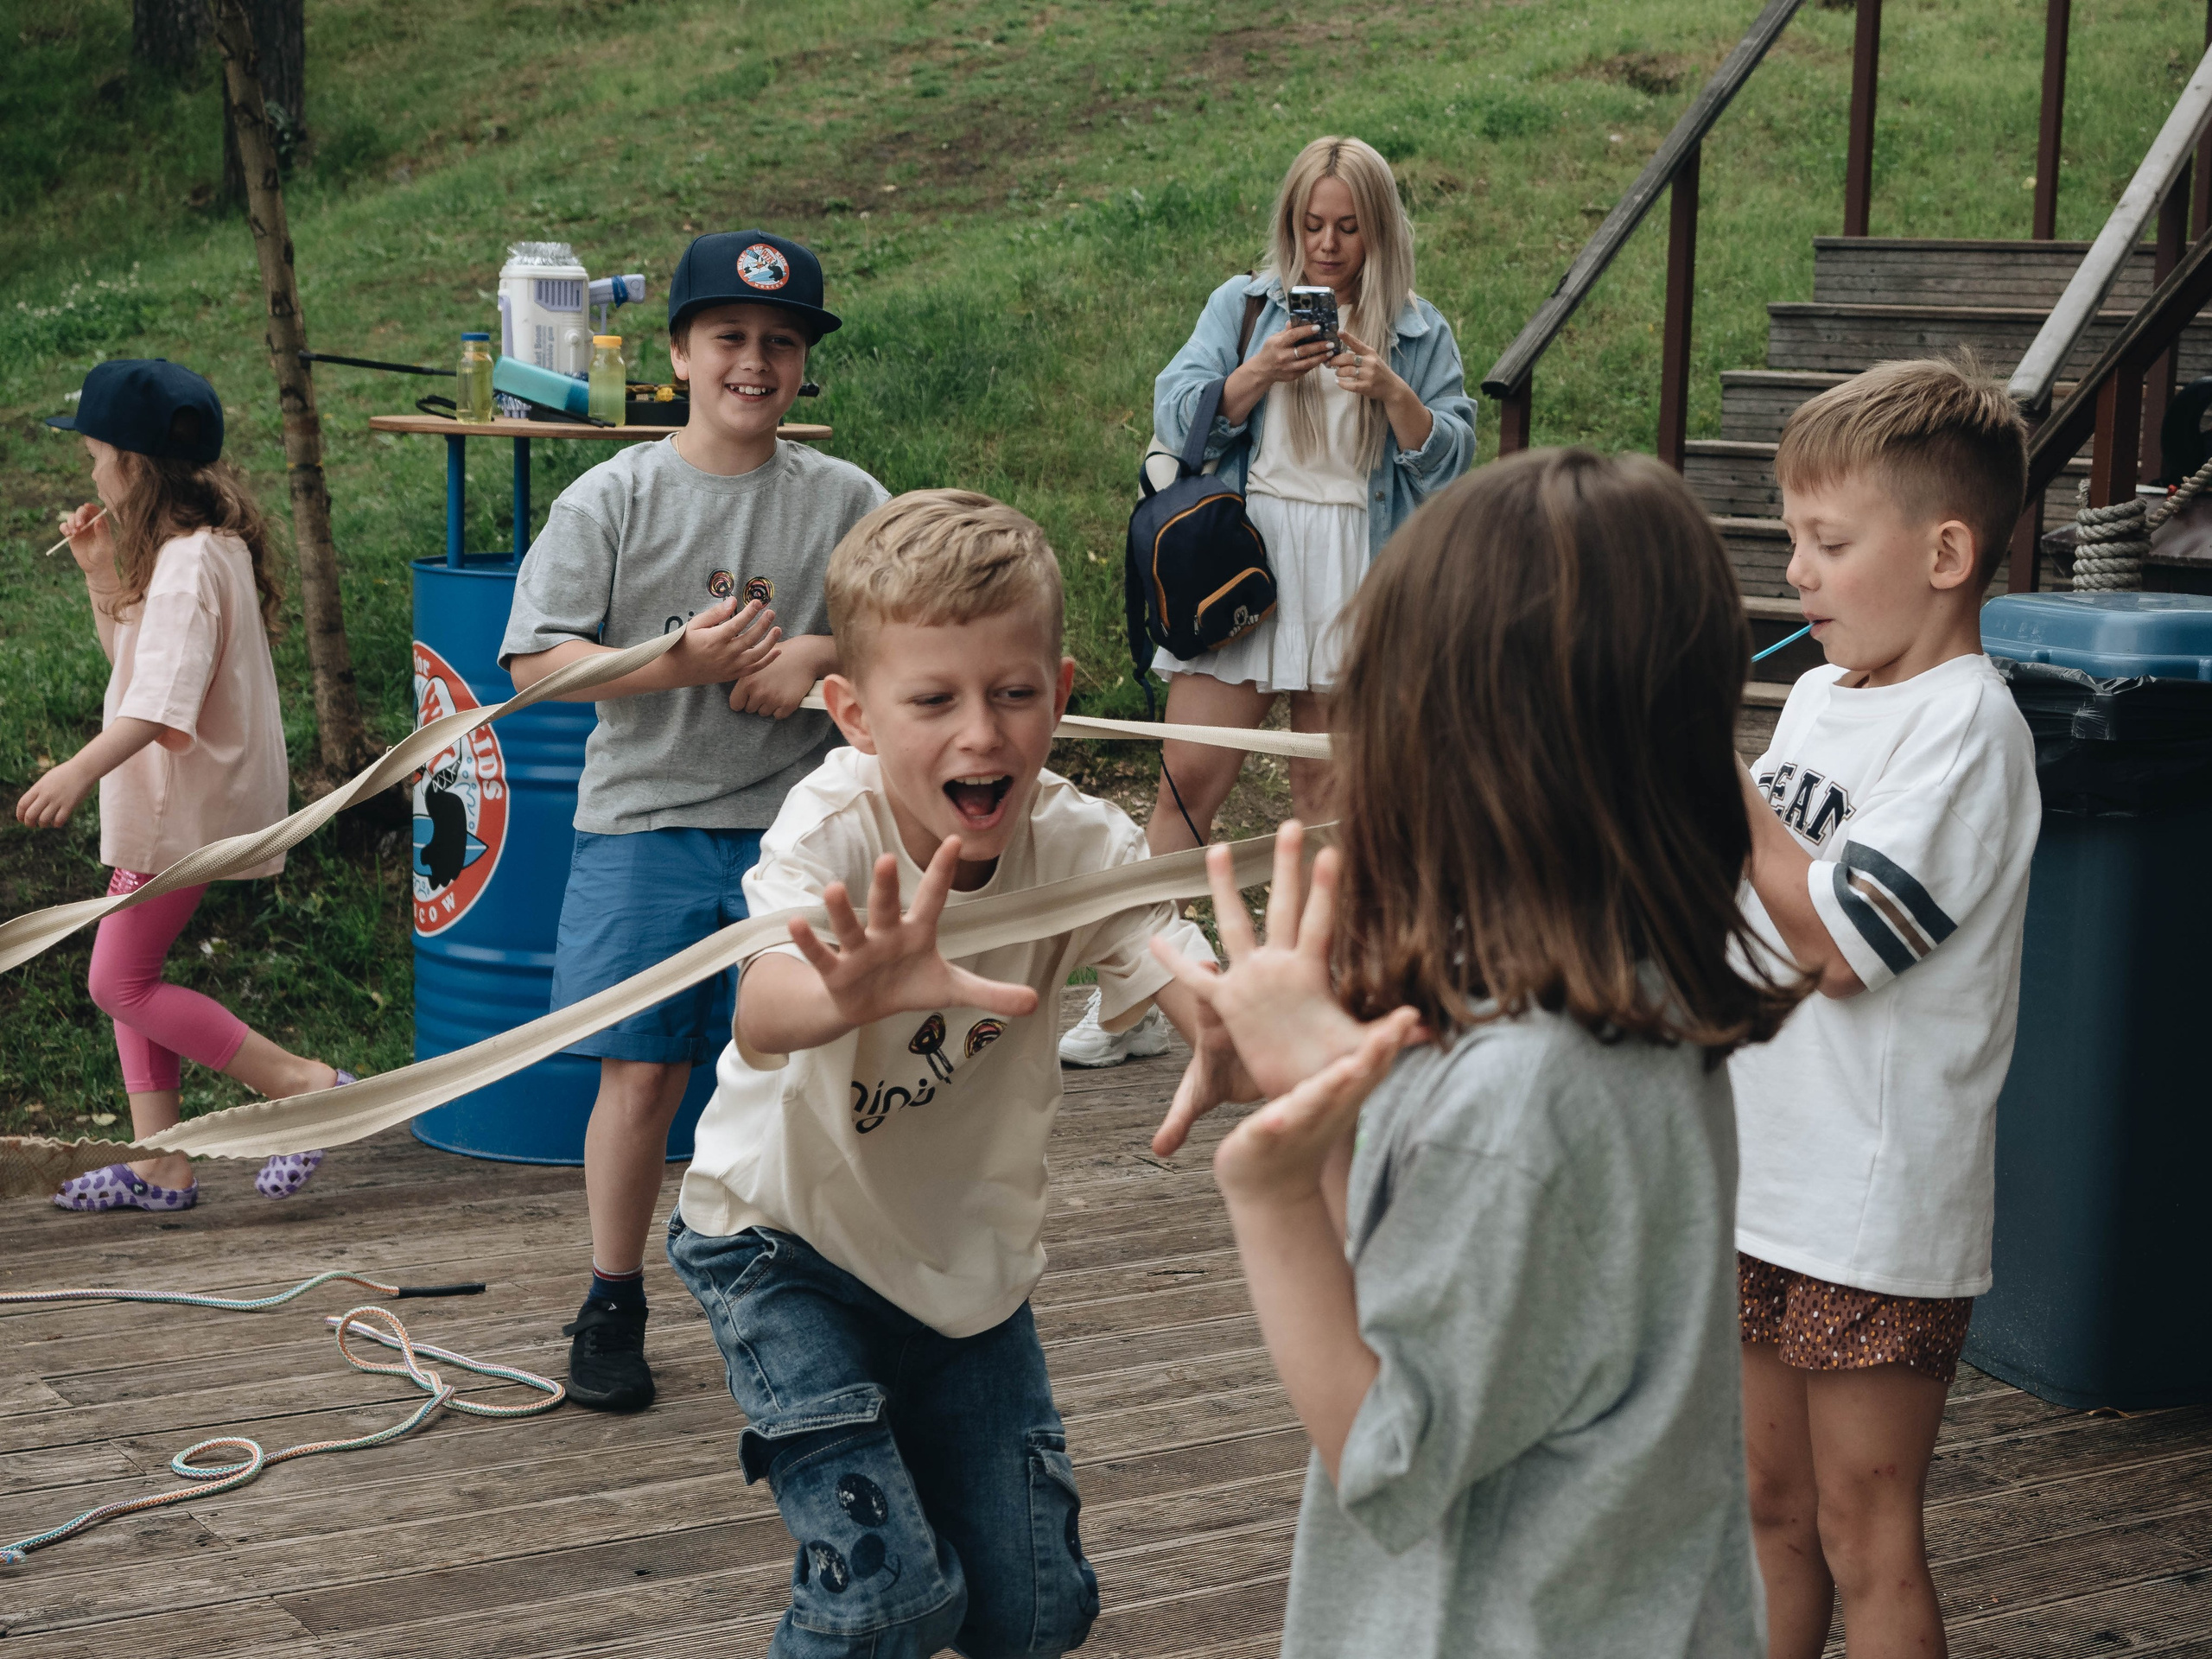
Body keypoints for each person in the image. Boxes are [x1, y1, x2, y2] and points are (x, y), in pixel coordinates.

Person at [1148, 449, 1801, 1657]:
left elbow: (1390, 1463)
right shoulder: (1627, 1005)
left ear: (1446, 741)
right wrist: (1328, 1097)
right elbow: (1418, 1293)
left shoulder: (1521, 1094)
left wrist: (1273, 1192)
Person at [667, 490, 1249, 1657]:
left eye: (1013, 694)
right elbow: (764, 1005)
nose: (981, 734)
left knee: (1037, 1612)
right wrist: (852, 987)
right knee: (888, 1603)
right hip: (785, 1247)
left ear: (1062, 696)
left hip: (962, 1274)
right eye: (934, 699)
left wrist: (1236, 1027)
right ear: (856, 714)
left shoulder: (1081, 847)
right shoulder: (831, 832)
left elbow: (1178, 964)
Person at [501, 230, 887, 1413]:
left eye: (780, 344)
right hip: (644, 828)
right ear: (680, 351)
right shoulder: (612, 495)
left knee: (801, 1073)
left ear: (803, 368)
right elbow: (533, 663)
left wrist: (820, 652)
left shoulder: (850, 500)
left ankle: (808, 1293)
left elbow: (917, 630)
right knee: (641, 1077)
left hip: (802, 833)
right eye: (729, 338)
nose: (754, 363)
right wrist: (678, 661)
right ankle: (612, 1297)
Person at [1729, 359, 2037, 1659]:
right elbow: (1742, 902)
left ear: (1947, 551)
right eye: (1793, 538)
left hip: (1875, 1206)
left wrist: (1711, 771)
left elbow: (1841, 944)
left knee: (1867, 1531)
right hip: (1759, 1176)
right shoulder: (1813, 699)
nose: (1796, 570)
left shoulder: (1970, 730)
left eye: (1829, 542)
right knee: (1767, 1512)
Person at [1061, 133, 1475, 1069]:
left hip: (1359, 566)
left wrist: (1392, 391)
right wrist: (1253, 377)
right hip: (1244, 562)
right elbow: (1177, 412)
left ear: (1379, 231)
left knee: (1325, 798)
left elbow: (1452, 454)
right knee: (1185, 782)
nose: (1325, 246)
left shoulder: (1416, 327)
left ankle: (1312, 998)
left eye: (1347, 228)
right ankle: (1132, 1000)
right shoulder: (1243, 304)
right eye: (1309, 224)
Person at [24, 359, 348, 1211]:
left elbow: (154, 707)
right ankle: (160, 1162)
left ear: (131, 464)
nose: (91, 471)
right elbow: (142, 672)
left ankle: (303, 1084)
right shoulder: (203, 552)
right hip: (180, 801)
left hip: (181, 806)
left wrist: (78, 766)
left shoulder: (185, 568)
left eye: (96, 454)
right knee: (131, 972)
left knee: (115, 982)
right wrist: (100, 575)